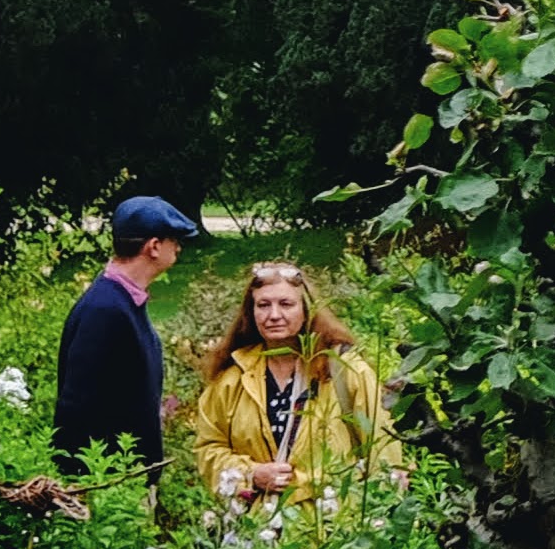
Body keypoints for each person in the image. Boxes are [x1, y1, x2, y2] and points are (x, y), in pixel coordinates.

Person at [185, 262, 398, 508]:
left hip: (334, 522)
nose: (274, 315)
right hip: (261, 524)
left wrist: (382, 512)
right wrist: (252, 474)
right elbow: (209, 448)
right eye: (263, 305)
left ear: (307, 310)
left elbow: (383, 450)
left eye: (286, 304)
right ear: (251, 312)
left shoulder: (345, 370)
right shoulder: (232, 379)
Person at [55, 196, 200, 481]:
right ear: (154, 247)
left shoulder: (124, 300)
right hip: (108, 483)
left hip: (127, 477)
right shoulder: (105, 309)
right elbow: (77, 408)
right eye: (174, 240)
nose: (178, 247)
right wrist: (85, 486)